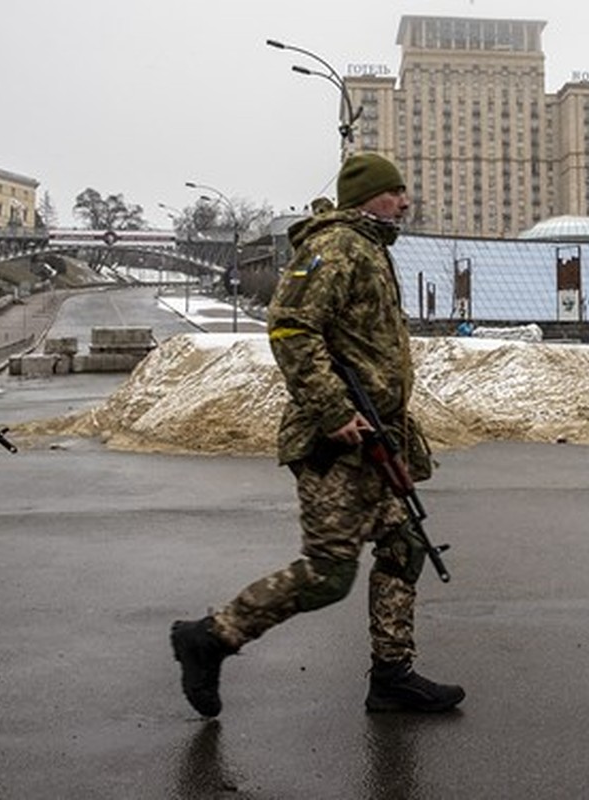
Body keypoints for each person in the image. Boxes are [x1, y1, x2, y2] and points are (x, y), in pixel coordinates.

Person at [171, 153, 464, 717]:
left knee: (404, 546)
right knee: (329, 573)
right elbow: (290, 328)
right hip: (336, 440)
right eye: (395, 192)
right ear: (367, 197)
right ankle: (210, 637)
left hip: (375, 434)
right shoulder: (335, 247)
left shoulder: (371, 248)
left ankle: (392, 676)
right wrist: (332, 411)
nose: (405, 202)